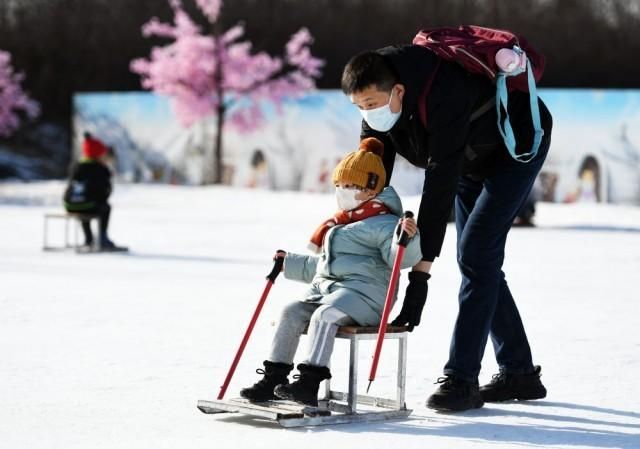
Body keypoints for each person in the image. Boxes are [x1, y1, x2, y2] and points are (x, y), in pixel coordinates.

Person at [341, 43, 552, 411]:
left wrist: (420, 277)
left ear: (399, 91)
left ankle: (461, 379)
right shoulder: (377, 104)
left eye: (372, 104)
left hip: (515, 145)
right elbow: (373, 180)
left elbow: (439, 184)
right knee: (476, 261)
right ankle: (519, 372)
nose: (367, 114)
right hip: (473, 153)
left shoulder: (444, 93)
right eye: (359, 107)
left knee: (476, 255)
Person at [239, 138, 422, 406]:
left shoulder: (385, 224)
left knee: (325, 315)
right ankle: (274, 379)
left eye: (350, 186)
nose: (342, 191)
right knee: (291, 311)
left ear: (371, 188)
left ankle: (309, 382)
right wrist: (288, 262)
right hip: (332, 293)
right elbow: (325, 266)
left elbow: (400, 260)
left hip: (367, 299)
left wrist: (406, 239)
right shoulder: (340, 224)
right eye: (339, 185)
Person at [63, 132, 119, 250]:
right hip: (88, 205)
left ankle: (88, 238)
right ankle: (102, 237)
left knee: (83, 204)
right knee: (104, 206)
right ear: (99, 155)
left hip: (70, 205)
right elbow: (104, 192)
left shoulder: (76, 166)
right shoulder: (101, 169)